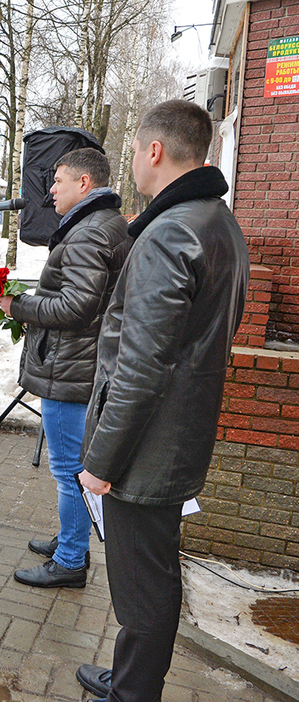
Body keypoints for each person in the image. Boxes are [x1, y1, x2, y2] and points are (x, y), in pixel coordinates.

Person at [73, 100, 250, 702]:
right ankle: (132, 678)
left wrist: (102, 460)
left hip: (145, 449)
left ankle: (133, 693)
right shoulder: (219, 222)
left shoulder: (170, 231)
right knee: (152, 574)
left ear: (154, 150)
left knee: (142, 586)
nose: (131, 162)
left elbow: (141, 365)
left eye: (133, 151)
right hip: (177, 435)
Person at [0, 149, 129, 589]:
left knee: (70, 471)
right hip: (80, 363)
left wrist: (19, 306)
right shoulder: (101, 224)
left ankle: (71, 560)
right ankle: (70, 540)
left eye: (58, 180)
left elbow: (76, 307)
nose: (50, 189)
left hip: (71, 370)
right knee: (73, 469)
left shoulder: (89, 232)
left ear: (84, 183)